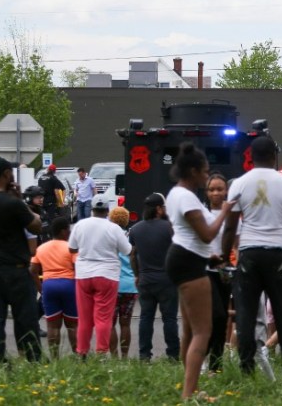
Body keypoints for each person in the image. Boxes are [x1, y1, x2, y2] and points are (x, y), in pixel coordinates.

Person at [222, 136, 282, 379]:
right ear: (275, 156)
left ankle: (247, 370)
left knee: (245, 314)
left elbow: (231, 227)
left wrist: (224, 257)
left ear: (250, 157)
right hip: (278, 254)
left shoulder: (239, 184)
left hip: (249, 253)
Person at [165, 143, 234, 400]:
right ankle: (188, 394)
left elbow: (188, 235)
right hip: (189, 263)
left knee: (190, 331)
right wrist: (225, 212)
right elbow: (206, 235)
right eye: (204, 172)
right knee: (203, 332)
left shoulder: (175, 194)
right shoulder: (187, 197)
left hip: (185, 257)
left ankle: (191, 388)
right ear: (193, 171)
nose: (207, 177)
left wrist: (211, 257)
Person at [0, 158, 43, 363]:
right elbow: (36, 226)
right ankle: (33, 359)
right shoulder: (13, 203)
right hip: (16, 270)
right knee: (25, 318)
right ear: (7, 175)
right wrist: (21, 201)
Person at [68, 193, 132, 357]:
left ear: (92, 209)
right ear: (107, 211)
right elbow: (127, 250)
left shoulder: (80, 225)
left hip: (83, 274)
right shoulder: (114, 228)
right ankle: (101, 353)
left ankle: (82, 352)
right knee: (103, 318)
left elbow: (72, 248)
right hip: (107, 274)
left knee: (84, 318)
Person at [128, 192, 180, 362]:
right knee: (170, 318)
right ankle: (173, 354)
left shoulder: (135, 229)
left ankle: (144, 355)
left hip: (146, 279)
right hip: (167, 279)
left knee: (145, 317)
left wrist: (137, 275)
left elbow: (133, 255)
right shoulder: (170, 227)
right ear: (159, 209)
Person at [30, 216, 77, 358]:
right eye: (68, 229)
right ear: (63, 232)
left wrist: (41, 289)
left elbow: (32, 270)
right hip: (69, 285)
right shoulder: (70, 248)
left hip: (49, 285)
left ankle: (55, 359)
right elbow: (78, 267)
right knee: (73, 325)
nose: (70, 232)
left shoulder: (41, 248)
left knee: (52, 326)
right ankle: (79, 357)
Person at [203, 173, 233, 373]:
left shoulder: (232, 215)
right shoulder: (202, 214)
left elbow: (237, 241)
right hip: (206, 271)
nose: (216, 193)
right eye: (212, 189)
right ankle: (200, 358)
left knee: (223, 321)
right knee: (216, 316)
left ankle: (215, 365)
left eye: (219, 189)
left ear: (226, 191)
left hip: (227, 271)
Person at [107, 206, 137, 358]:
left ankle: (114, 357)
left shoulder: (109, 238)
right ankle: (124, 357)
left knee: (110, 324)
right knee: (125, 324)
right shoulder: (131, 237)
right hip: (130, 286)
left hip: (112, 285)